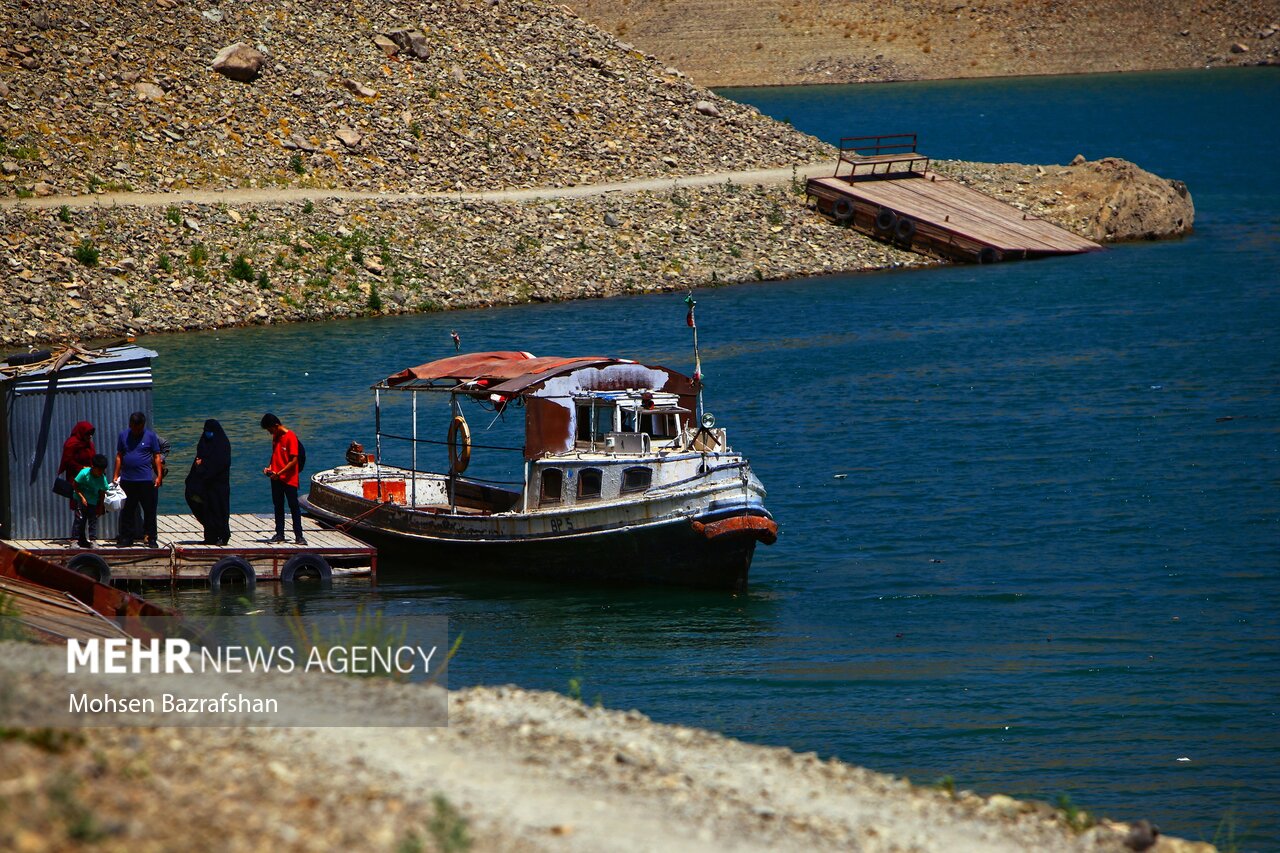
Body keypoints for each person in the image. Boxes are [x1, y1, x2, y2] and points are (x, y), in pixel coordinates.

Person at [113, 411, 164, 548]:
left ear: (143, 425)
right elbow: (119, 456)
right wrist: (116, 475)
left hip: (146, 480)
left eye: (139, 428)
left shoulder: (150, 436)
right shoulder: (123, 435)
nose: (136, 430)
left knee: (149, 510)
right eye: (134, 427)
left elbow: (156, 456)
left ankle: (151, 537)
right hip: (128, 480)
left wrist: (159, 476)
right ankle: (127, 538)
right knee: (128, 510)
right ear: (130, 424)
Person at [185, 419, 232, 546]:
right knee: (206, 509)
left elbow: (219, 464)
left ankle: (223, 535)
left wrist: (202, 465)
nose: (207, 433)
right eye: (205, 431)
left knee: (219, 510)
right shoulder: (204, 443)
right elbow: (199, 458)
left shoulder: (222, 445)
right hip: (205, 485)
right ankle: (210, 536)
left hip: (219, 485)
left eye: (210, 431)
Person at [261, 413, 305, 545]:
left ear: (276, 426)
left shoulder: (291, 436)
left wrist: (280, 473)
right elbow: (275, 454)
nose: (269, 433)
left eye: (270, 429)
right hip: (275, 477)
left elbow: (294, 460)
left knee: (293, 506)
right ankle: (280, 533)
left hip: (288, 478)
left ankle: (299, 536)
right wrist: (269, 467)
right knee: (278, 505)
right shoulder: (276, 436)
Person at [57, 421, 96, 533]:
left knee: (89, 506)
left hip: (89, 480)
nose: (89, 436)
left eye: (91, 434)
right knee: (79, 506)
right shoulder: (72, 443)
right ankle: (77, 535)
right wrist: (81, 468)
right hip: (76, 479)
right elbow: (68, 461)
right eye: (87, 434)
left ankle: (86, 535)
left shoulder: (89, 445)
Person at [72, 453, 110, 548]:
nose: (101, 472)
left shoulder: (102, 479)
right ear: (93, 467)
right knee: (80, 519)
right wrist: (82, 497)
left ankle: (93, 540)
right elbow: (75, 485)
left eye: (103, 470)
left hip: (92, 501)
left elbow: (102, 494)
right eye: (99, 470)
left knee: (92, 520)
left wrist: (100, 507)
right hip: (80, 499)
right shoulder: (84, 473)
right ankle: (75, 540)